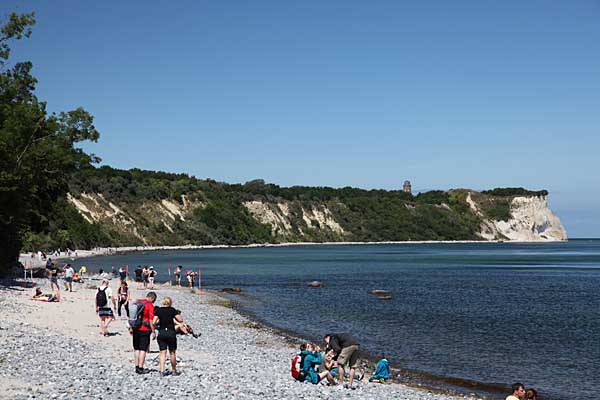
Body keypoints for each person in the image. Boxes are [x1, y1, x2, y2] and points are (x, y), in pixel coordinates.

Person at [153, 297, 185, 376]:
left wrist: (158, 325)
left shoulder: (158, 310)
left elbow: (154, 322)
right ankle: (174, 370)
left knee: (162, 353)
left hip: (162, 333)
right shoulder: (172, 310)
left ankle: (161, 370)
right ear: (170, 303)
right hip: (171, 333)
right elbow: (180, 320)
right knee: (172, 352)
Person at [130, 291, 157, 374]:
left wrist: (131, 327)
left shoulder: (138, 302)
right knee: (143, 349)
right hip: (144, 329)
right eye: (154, 300)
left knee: (136, 348)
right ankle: (141, 368)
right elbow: (151, 320)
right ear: (152, 298)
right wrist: (153, 331)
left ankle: (136, 366)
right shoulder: (149, 305)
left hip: (135, 327)